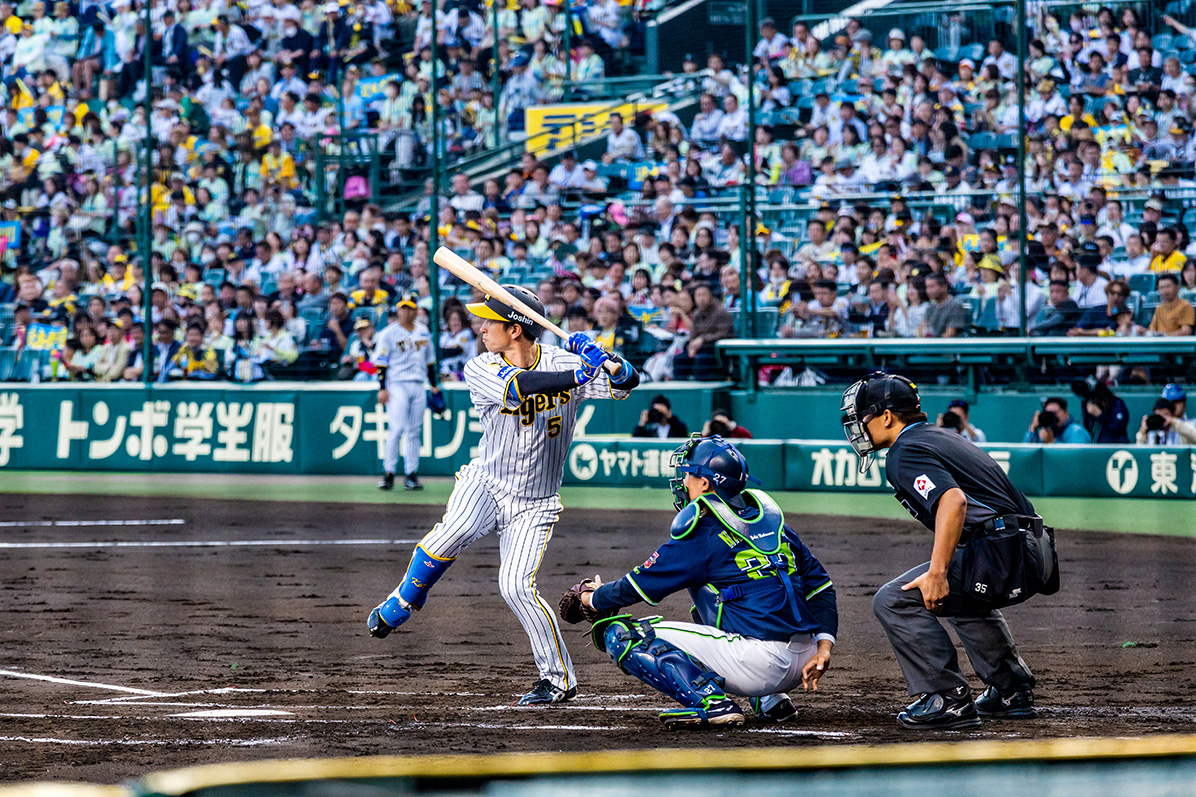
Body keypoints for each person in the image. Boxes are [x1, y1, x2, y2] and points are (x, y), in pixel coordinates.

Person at [367, 285, 641, 706]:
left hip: (536, 501)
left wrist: (609, 361)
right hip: (487, 482)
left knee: (515, 587)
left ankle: (558, 679)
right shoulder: (480, 367)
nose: (480, 329)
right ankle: (404, 599)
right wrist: (579, 374)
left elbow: (627, 385)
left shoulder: (566, 362)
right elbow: (521, 389)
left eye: (489, 321)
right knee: (449, 533)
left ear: (515, 329)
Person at [566, 435, 838, 727]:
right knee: (711, 598)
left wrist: (591, 598)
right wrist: (824, 649)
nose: (683, 482)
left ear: (705, 484)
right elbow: (821, 587)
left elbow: (638, 584)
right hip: (808, 660)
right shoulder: (774, 525)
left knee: (621, 634)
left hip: (761, 664)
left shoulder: (704, 531)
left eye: (688, 474)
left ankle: (713, 703)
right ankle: (772, 701)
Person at [841, 373, 1058, 730]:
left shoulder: (904, 450)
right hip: (1032, 550)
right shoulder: (939, 436)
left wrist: (938, 573)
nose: (858, 426)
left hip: (1002, 553)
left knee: (895, 599)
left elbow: (953, 502)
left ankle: (946, 698)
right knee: (959, 595)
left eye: (863, 416)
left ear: (886, 417)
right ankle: (1010, 690)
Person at [374, 294, 438, 491]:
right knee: (396, 428)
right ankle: (389, 473)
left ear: (415, 310)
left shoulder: (423, 331)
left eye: (409, 308)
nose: (406, 311)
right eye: (402, 308)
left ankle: (411, 474)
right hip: (397, 384)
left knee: (414, 431)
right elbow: (381, 364)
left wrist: (433, 384)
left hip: (418, 384)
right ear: (398, 310)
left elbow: (429, 361)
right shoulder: (388, 333)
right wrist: (382, 388)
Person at [1022, 397, 1092, 444]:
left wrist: (1052, 442)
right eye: (1049, 413)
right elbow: (1027, 453)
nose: (1052, 416)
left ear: (1066, 412)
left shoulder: (1076, 431)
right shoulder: (1047, 431)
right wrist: (1032, 429)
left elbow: (1073, 458)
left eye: (1055, 413)